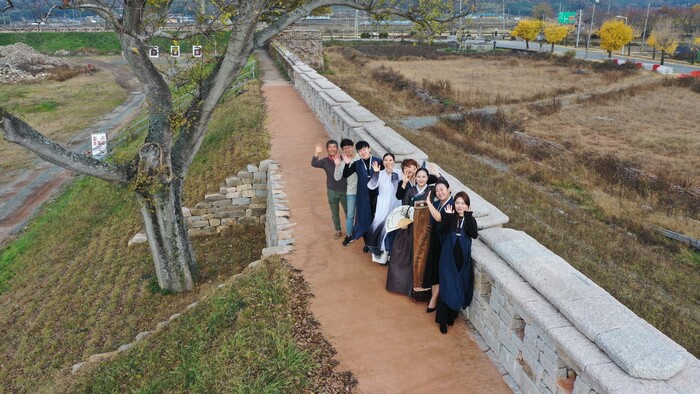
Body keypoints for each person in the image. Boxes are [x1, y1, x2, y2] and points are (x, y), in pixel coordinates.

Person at [387, 164, 444, 298]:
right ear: (415, 178)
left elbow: (443, 185)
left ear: (427, 178)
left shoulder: (431, 190)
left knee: (426, 254)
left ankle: (424, 288)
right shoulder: (410, 191)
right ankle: (408, 284)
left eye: (424, 177)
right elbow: (405, 206)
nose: (421, 179)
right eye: (419, 177)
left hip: (427, 227)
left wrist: (437, 174)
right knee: (405, 253)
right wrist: (404, 221)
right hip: (412, 226)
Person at [426, 190, 478, 334]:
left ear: (467, 205)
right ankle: (442, 321)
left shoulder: (469, 219)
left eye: (463, 203)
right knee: (446, 287)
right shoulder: (450, 216)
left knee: (458, 286)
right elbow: (441, 230)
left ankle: (452, 316)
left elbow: (474, 235)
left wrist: (468, 216)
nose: (460, 206)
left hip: (463, 261)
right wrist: (448, 217)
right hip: (448, 259)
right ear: (454, 204)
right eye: (457, 203)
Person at [341, 140, 382, 246]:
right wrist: (346, 164)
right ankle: (367, 243)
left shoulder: (378, 161)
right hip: (363, 195)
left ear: (369, 149)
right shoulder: (357, 164)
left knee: (376, 218)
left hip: (377, 195)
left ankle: (376, 241)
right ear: (358, 152)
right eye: (360, 151)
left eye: (364, 149)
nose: (363, 152)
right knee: (364, 218)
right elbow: (345, 174)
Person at [365, 153, 402, 264]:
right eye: (386, 160)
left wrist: (392, 173)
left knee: (393, 229)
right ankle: (380, 255)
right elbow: (371, 186)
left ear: (394, 162)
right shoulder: (379, 173)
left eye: (390, 160)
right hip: (383, 205)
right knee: (379, 228)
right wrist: (375, 173)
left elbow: (399, 189)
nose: (388, 162)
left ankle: (391, 253)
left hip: (395, 204)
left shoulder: (399, 173)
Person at [424, 180, 453, 313]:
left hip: (445, 243)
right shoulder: (438, 203)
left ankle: (434, 299)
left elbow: (439, 218)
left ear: (449, 189)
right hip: (436, 241)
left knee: (441, 271)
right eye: (437, 191)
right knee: (435, 270)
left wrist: (428, 202)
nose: (440, 192)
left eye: (442, 189)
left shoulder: (451, 205)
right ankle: (433, 297)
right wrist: (436, 175)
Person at [312, 140, 348, 239]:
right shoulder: (325, 161)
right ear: (327, 149)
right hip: (332, 191)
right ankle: (338, 230)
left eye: (334, 147)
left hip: (345, 190)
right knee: (334, 212)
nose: (332, 149)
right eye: (330, 147)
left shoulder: (343, 159)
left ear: (337, 148)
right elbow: (314, 163)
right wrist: (316, 153)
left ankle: (350, 231)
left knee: (348, 212)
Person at [334, 139, 359, 246]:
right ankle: (349, 235)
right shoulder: (344, 162)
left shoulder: (360, 157)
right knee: (350, 215)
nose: (346, 150)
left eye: (348, 147)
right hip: (351, 191)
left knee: (365, 213)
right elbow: (337, 177)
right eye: (344, 149)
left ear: (353, 147)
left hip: (363, 192)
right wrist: (337, 165)